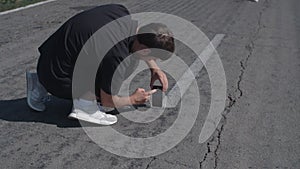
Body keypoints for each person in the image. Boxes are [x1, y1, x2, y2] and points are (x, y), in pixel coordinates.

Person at [26, 4, 175, 125]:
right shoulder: (117, 56)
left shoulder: (120, 12)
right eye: (153, 57)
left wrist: (154, 67)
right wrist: (133, 99)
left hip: (48, 60)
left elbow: (140, 42)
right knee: (124, 68)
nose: (151, 60)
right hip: (55, 78)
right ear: (145, 50)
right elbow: (108, 101)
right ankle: (85, 107)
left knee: (95, 54)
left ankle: (39, 82)